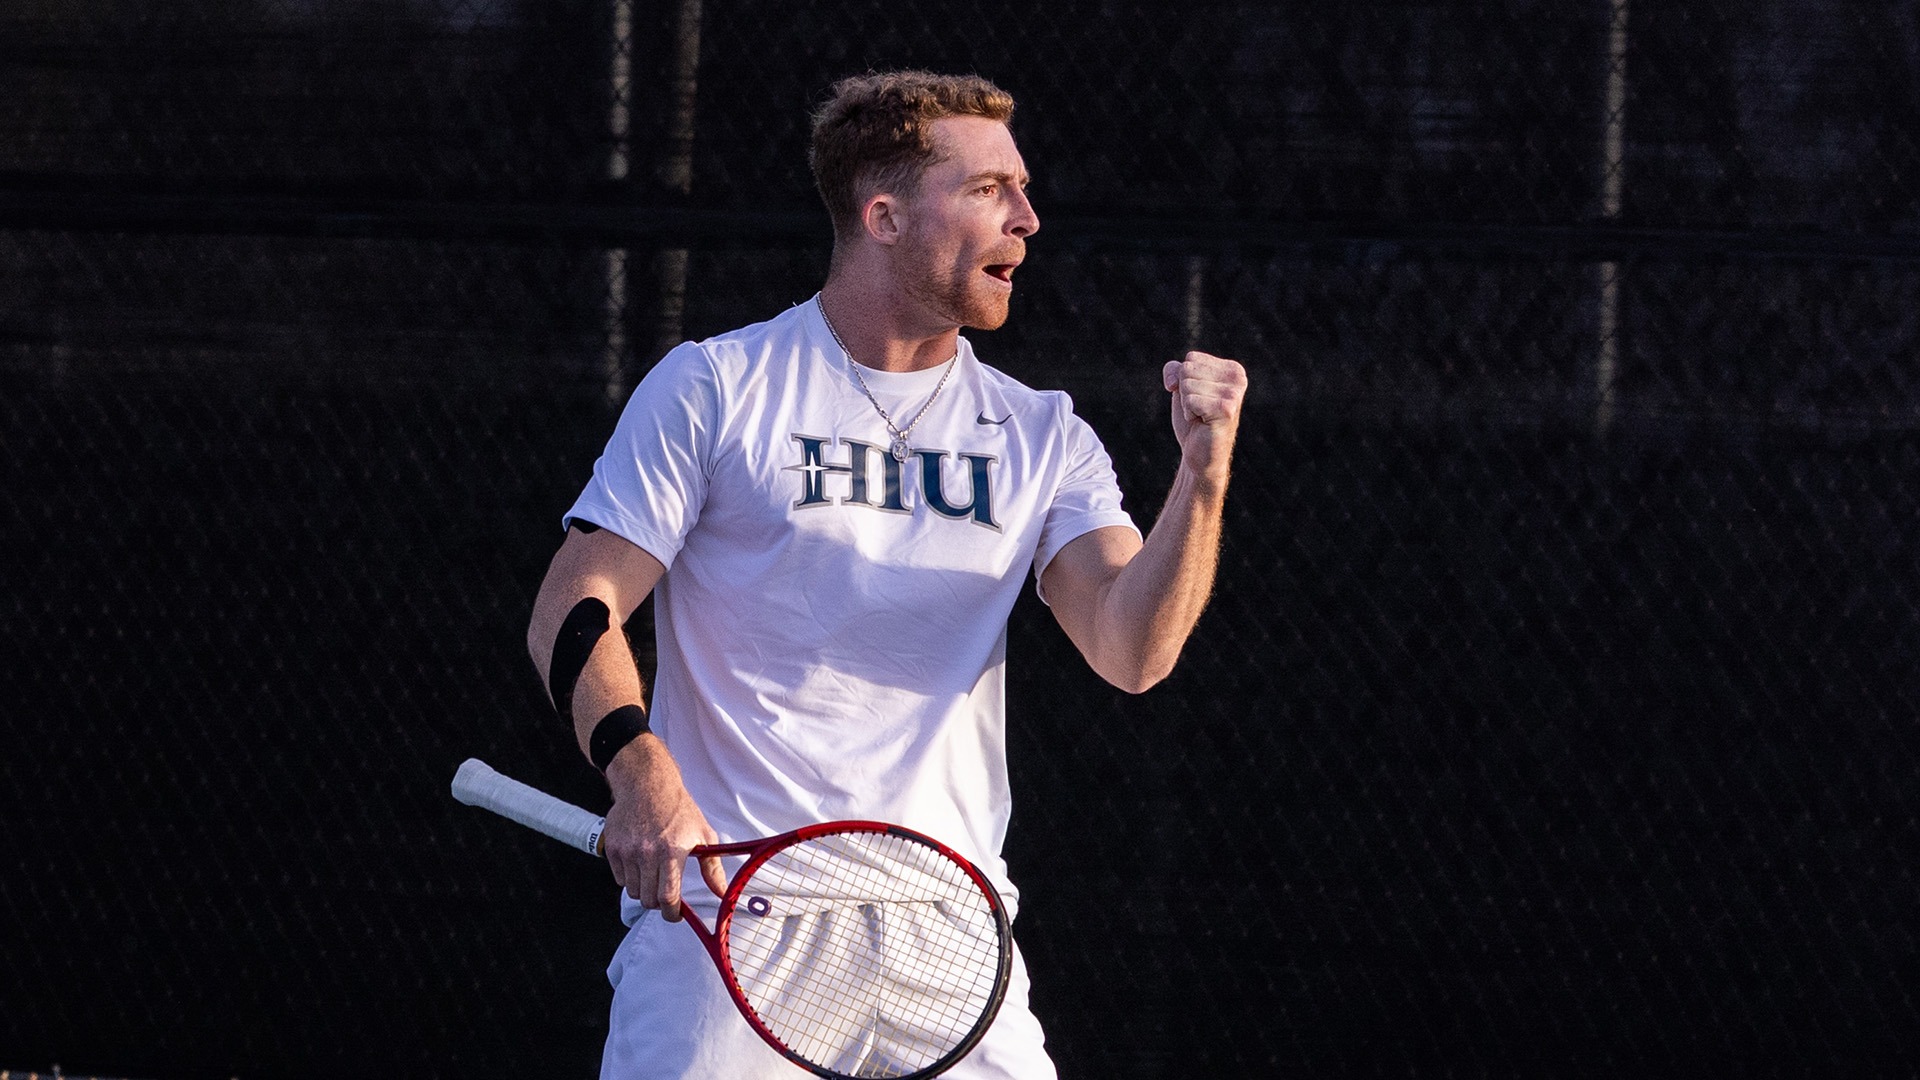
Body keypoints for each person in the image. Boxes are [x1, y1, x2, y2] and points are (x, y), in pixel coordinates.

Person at [526, 69, 1247, 1080]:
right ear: (885, 215)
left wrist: (1203, 480)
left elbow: (1134, 649)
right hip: (736, 916)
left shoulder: (1042, 433)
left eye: (1022, 189)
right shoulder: (716, 387)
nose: (1028, 220)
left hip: (951, 932)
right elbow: (575, 603)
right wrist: (638, 769)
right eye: (990, 190)